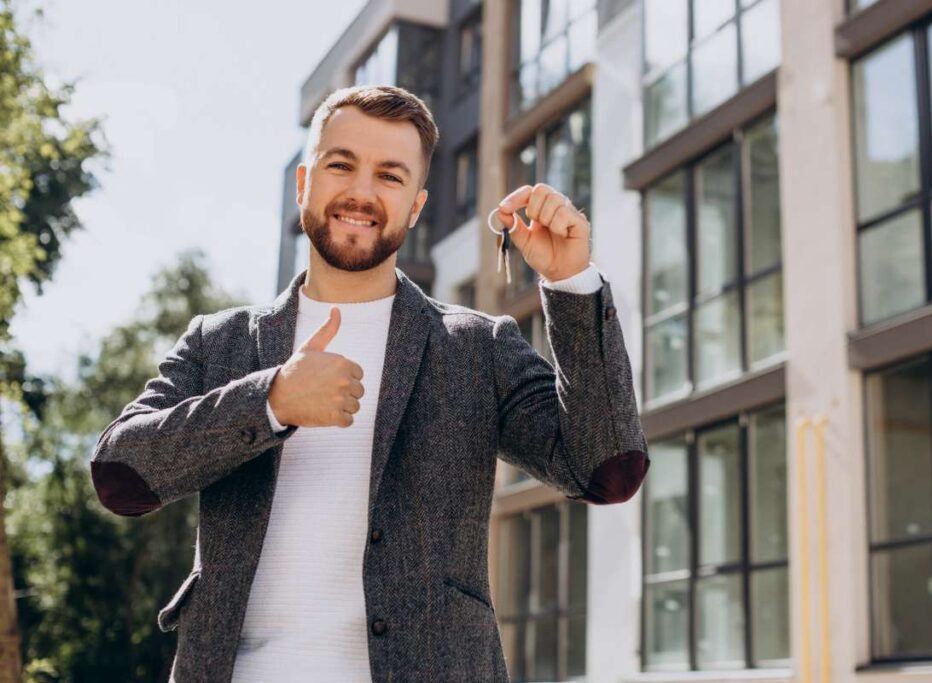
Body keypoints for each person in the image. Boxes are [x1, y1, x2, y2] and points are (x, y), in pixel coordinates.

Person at [90, 84, 649, 683]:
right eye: (341, 165)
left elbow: (604, 469)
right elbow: (122, 476)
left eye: (389, 175)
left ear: (415, 206)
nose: (361, 192)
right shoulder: (219, 341)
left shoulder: (476, 348)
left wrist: (571, 284)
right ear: (304, 184)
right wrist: (270, 401)